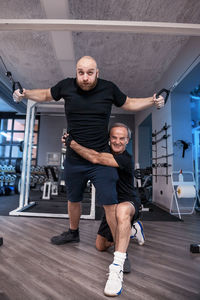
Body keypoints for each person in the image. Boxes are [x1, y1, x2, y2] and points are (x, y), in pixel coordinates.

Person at [13, 55, 164, 254]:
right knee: (73, 199)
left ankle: (121, 251)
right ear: (76, 72)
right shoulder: (66, 86)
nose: (85, 77)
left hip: (100, 159)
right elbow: (45, 94)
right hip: (74, 159)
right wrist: (24, 94)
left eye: (90, 73)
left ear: (97, 73)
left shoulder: (108, 88)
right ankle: (73, 232)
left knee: (110, 204)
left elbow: (128, 103)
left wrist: (152, 101)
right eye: (81, 73)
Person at [69, 123, 144, 296]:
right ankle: (132, 230)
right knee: (100, 246)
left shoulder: (126, 158)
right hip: (111, 205)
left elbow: (95, 158)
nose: (117, 141)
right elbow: (89, 150)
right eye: (114, 137)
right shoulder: (105, 150)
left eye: (122, 138)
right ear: (109, 138)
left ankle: (118, 263)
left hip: (128, 202)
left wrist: (72, 143)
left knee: (122, 211)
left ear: (128, 140)